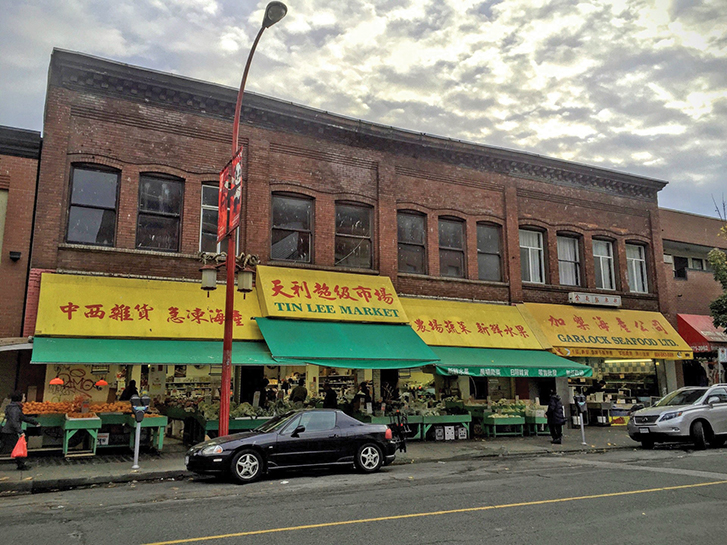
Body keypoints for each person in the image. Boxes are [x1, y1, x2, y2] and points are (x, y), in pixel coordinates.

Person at [1, 391, 39, 470]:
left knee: (5, 446)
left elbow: (22, 417)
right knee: (16, 447)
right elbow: (14, 421)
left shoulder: (14, 407)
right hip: (10, 431)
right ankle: (21, 465)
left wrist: (35, 422)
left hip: (7, 431)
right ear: (20, 398)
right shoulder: (15, 408)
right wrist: (20, 431)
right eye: (23, 397)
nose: (25, 398)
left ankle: (21, 464)